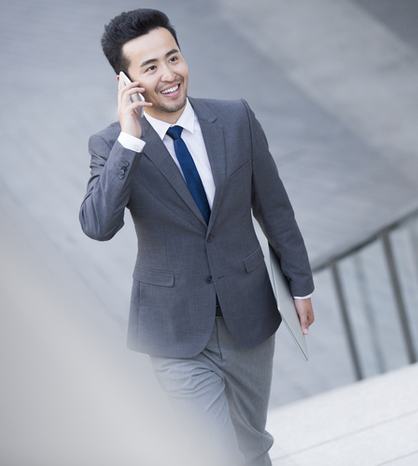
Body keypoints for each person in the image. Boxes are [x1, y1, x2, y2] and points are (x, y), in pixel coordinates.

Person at [79, 9, 315, 465]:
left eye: (174, 58)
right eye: (149, 68)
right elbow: (97, 225)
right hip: (173, 329)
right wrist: (130, 139)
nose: (169, 75)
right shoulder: (111, 145)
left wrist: (299, 283)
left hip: (248, 315)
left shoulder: (235, 119)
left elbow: (274, 207)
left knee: (251, 445)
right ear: (124, 80)